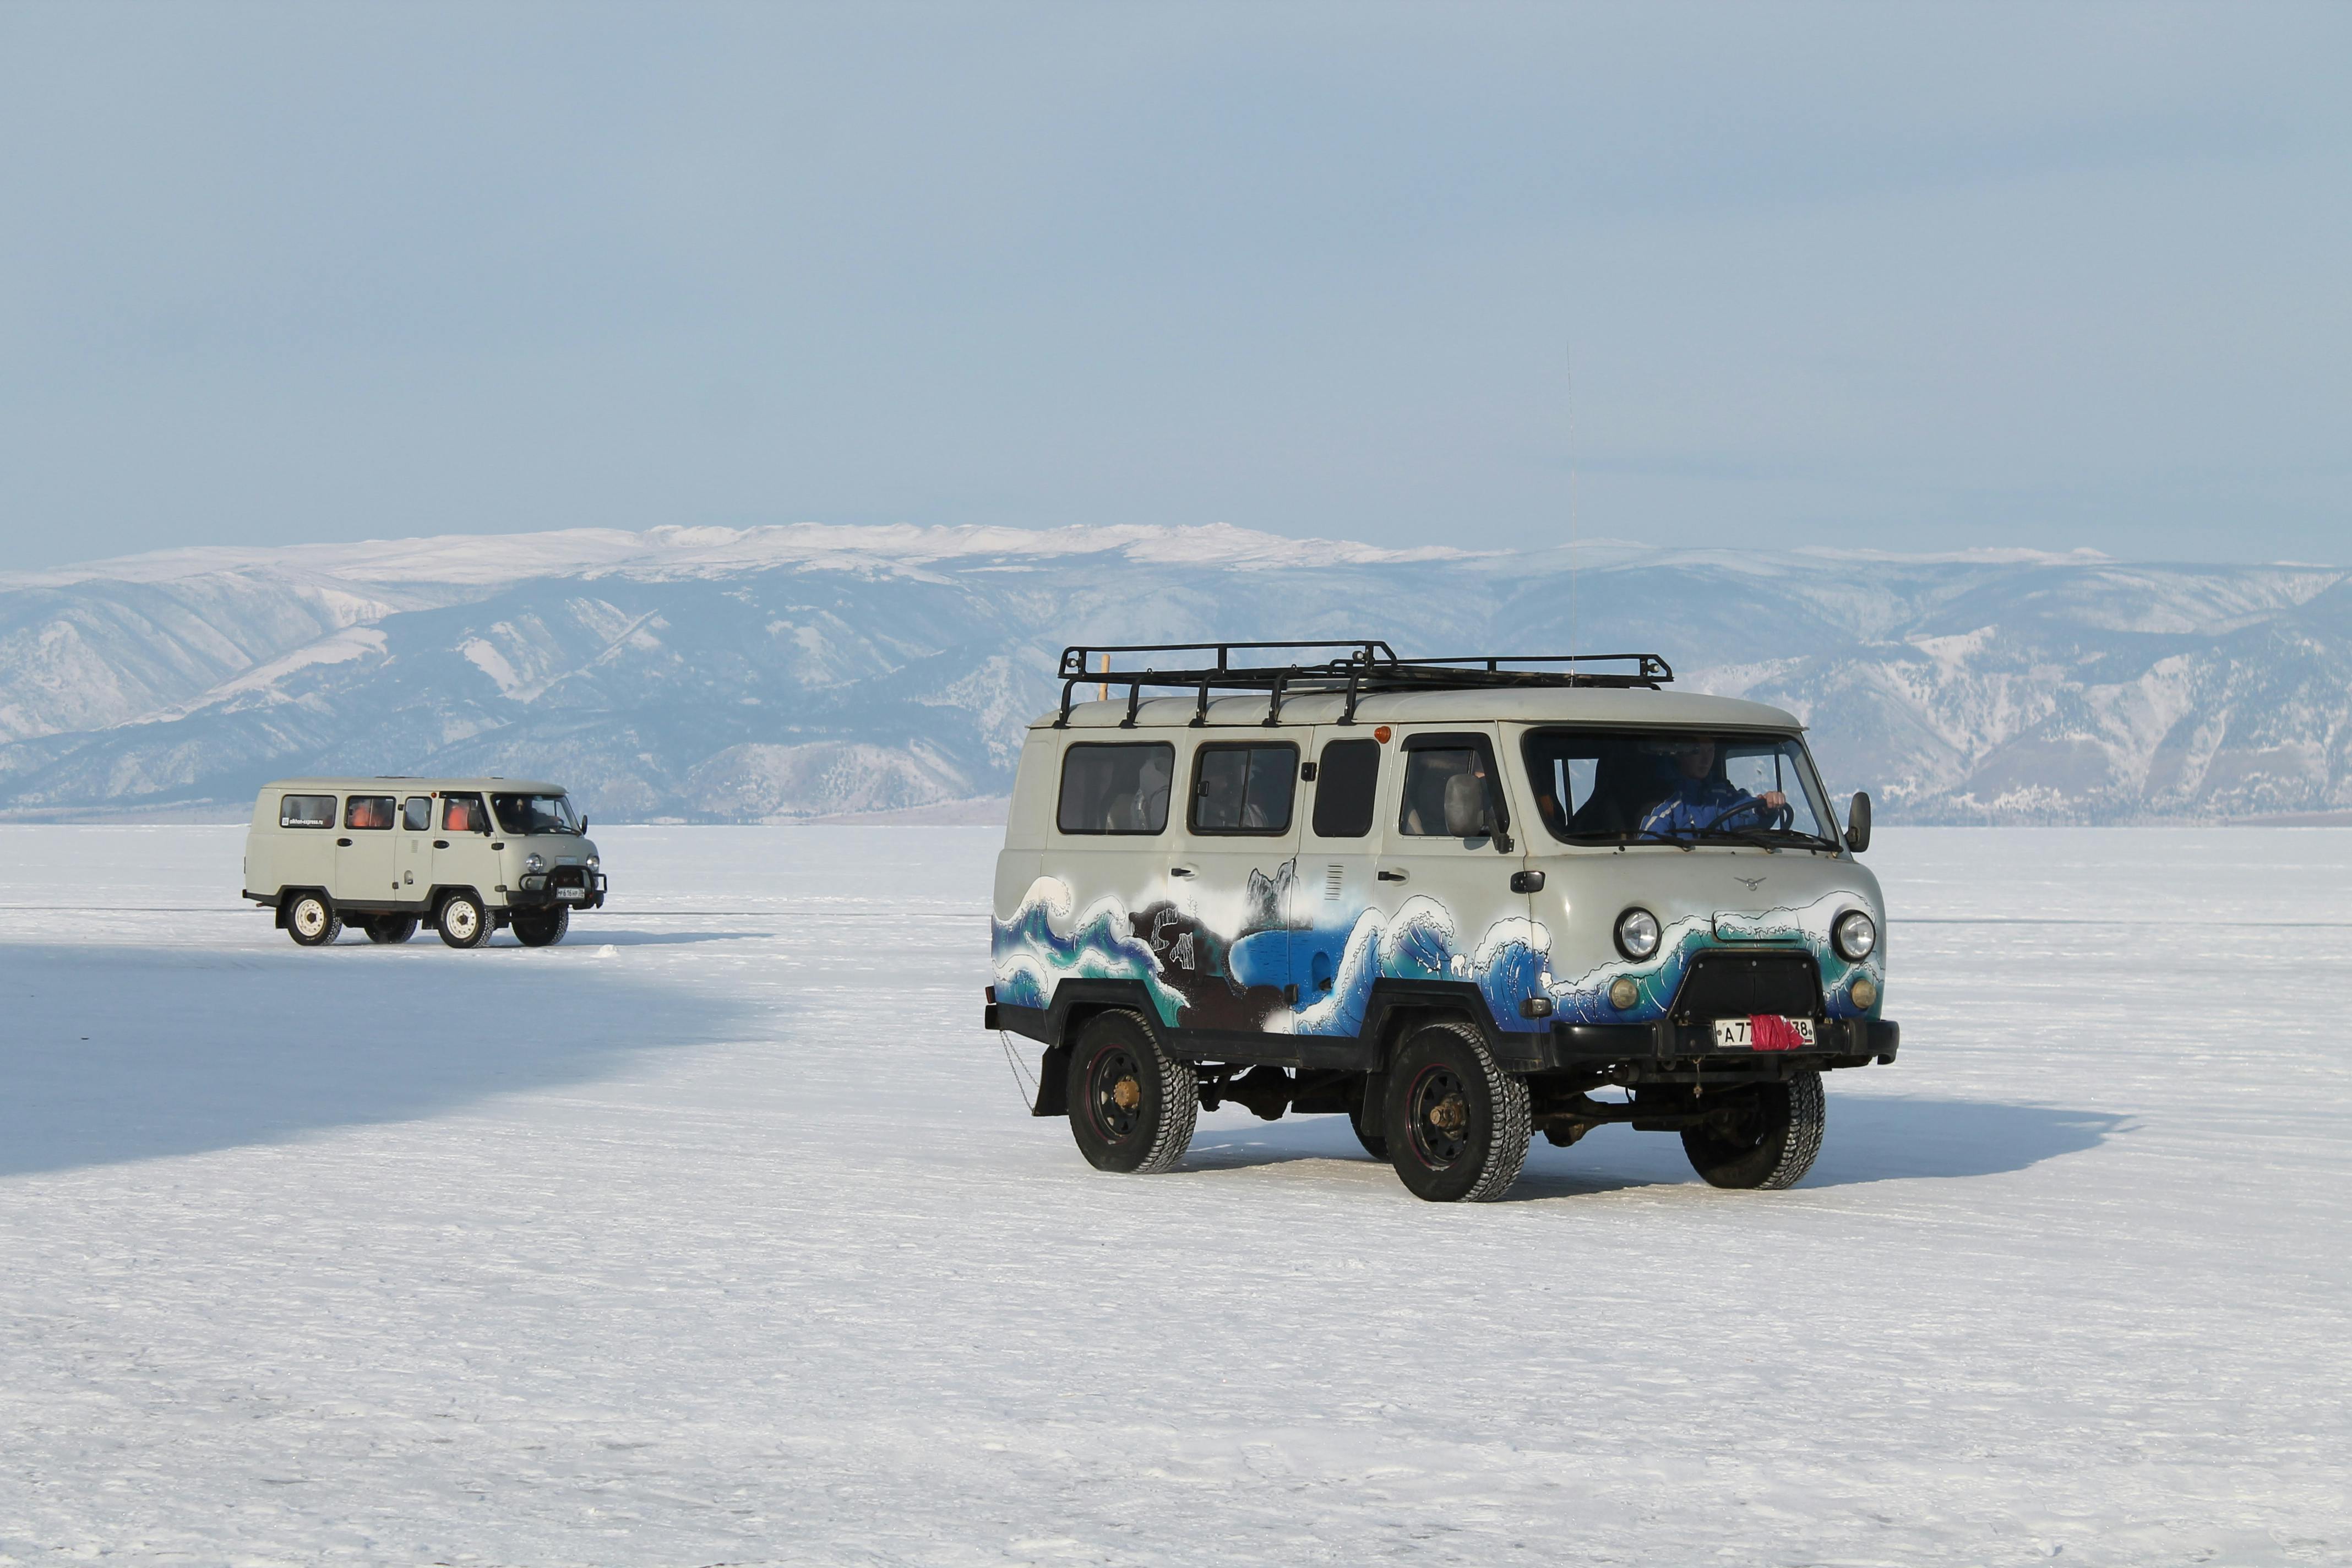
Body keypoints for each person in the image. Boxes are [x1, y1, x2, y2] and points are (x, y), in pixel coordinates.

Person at [1637, 739, 1785, 840]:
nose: (1706, 759)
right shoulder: (1664, 799)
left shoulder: (1722, 794)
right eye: (1697, 751)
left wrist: (1765, 808)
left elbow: (1744, 812)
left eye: (1711, 750)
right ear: (1680, 754)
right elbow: (1651, 847)